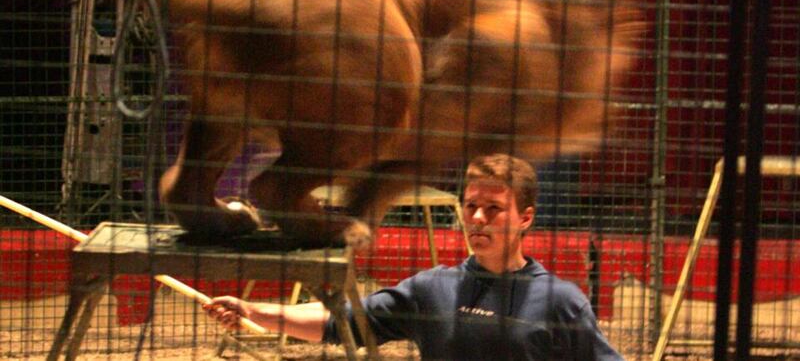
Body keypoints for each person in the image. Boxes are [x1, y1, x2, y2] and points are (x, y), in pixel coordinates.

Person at [204, 154, 623, 360]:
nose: (477, 218)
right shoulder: (432, 288)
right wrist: (255, 311)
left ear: (526, 218)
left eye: (493, 208)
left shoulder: (560, 301)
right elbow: (341, 321)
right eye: (470, 205)